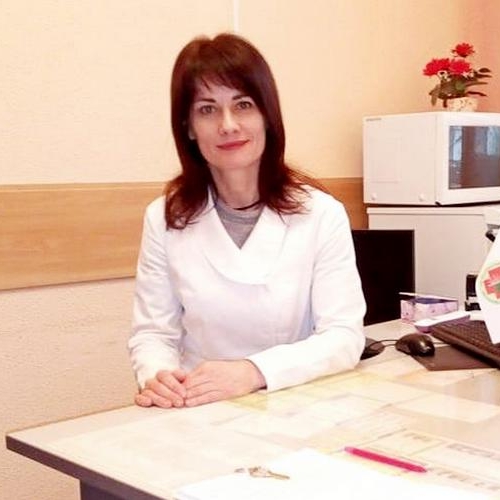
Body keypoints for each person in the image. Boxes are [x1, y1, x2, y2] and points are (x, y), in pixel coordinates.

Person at [129, 32, 366, 409]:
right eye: (207, 109)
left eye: (243, 105)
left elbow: (343, 337)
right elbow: (154, 335)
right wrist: (158, 377)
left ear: (267, 117)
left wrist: (254, 371)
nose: (228, 125)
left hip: (297, 402)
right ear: (188, 127)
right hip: (198, 406)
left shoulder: (321, 214)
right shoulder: (164, 218)